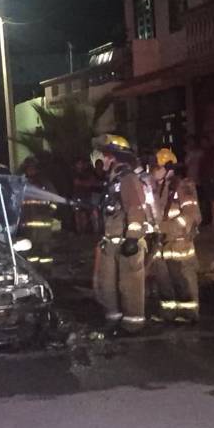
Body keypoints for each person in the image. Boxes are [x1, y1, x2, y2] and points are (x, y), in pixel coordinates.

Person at [91, 134, 148, 333]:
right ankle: (114, 319)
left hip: (126, 242)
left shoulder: (128, 178)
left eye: (106, 156)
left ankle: (133, 325)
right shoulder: (112, 181)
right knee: (108, 284)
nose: (102, 160)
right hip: (112, 242)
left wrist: (132, 238)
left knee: (129, 286)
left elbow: (135, 208)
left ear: (115, 157)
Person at [150, 148, 201, 323]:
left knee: (183, 279)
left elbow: (192, 216)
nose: (153, 171)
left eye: (156, 167)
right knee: (163, 279)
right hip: (162, 244)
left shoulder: (183, 186)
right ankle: (168, 313)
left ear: (167, 167)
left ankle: (189, 314)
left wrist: (165, 227)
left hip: (179, 244)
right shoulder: (157, 188)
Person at [19, 157, 57, 268]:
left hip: (43, 221)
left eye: (32, 168)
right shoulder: (23, 182)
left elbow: (54, 198)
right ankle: (33, 269)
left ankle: (46, 270)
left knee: (44, 247)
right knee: (30, 247)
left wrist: (50, 211)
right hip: (28, 221)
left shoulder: (44, 183)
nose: (30, 170)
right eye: (29, 168)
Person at [198, 135, 214, 227]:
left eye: (204, 142)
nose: (202, 144)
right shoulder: (204, 153)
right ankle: (211, 219)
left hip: (212, 179)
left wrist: (213, 176)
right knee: (209, 199)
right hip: (206, 178)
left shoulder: (213, 152)